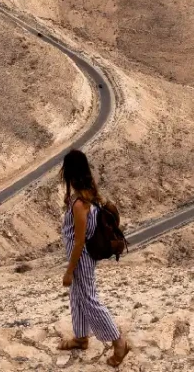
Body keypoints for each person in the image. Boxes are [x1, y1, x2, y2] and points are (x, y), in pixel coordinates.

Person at [59, 149, 130, 367]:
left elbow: (79, 242)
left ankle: (119, 342)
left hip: (81, 259)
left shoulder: (81, 203)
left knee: (90, 299)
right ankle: (81, 338)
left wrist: (69, 271)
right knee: (78, 297)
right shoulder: (85, 195)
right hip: (81, 257)